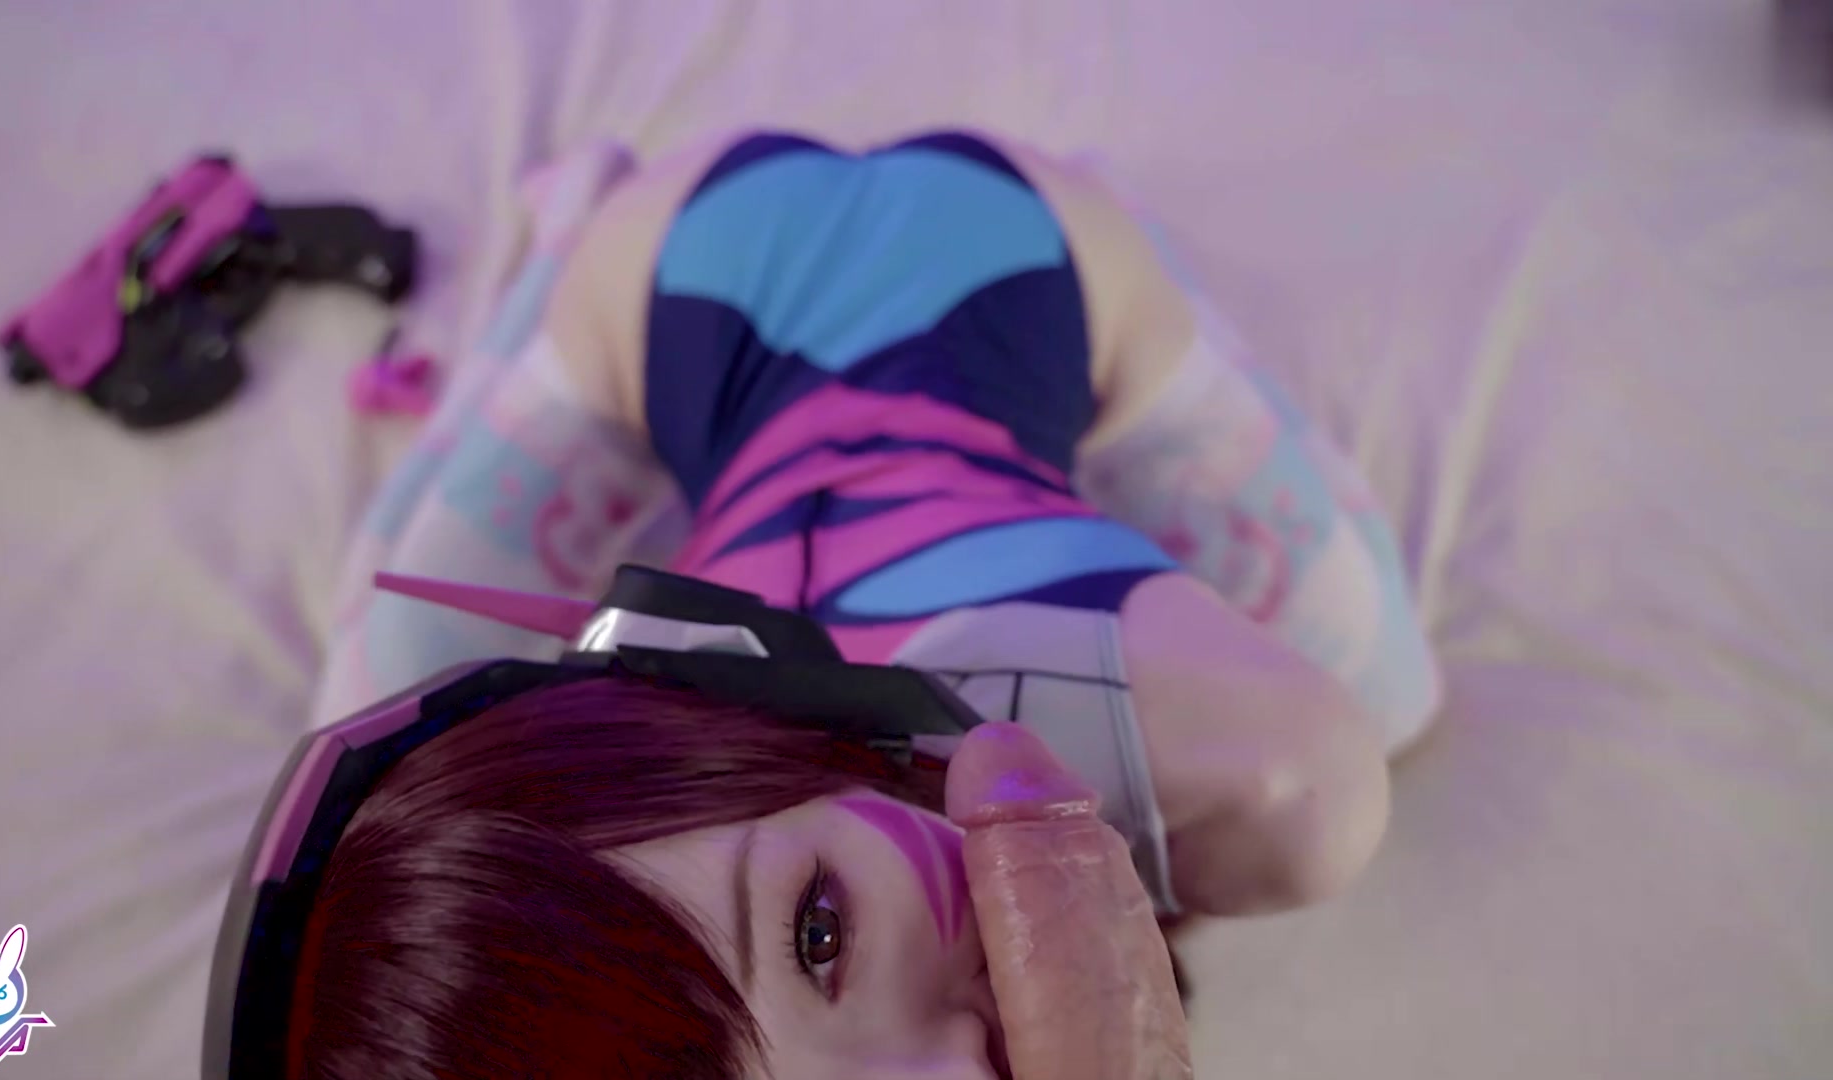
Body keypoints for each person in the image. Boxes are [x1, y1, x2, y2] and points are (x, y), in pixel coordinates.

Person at [291, 130, 1443, 1076]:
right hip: (782, 262)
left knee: (1386, 711)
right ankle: (579, 233)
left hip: (840, 257)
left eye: (820, 932)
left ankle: (573, 236)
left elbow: (1315, 776)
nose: (954, 1071)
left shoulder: (1267, 773)